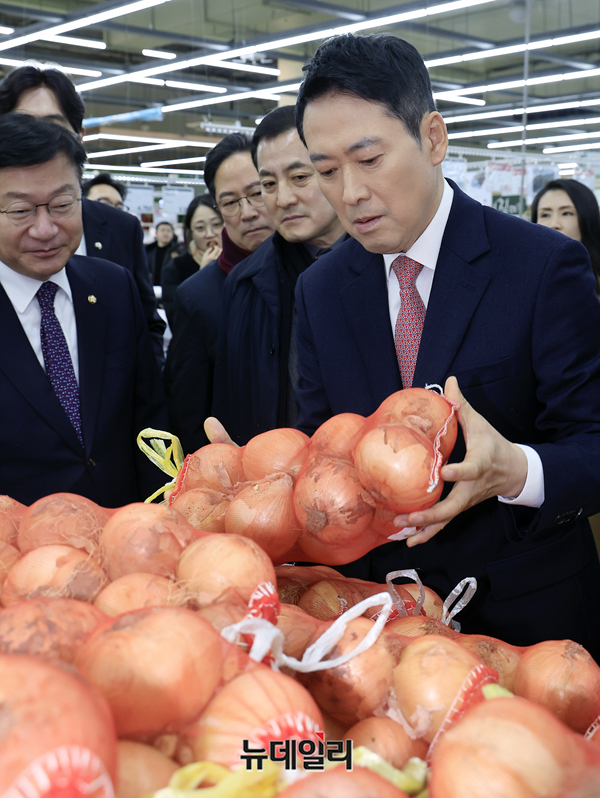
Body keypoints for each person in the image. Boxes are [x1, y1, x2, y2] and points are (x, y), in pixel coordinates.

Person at [292, 33, 600, 658]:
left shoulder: (541, 266)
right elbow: (323, 444)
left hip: (528, 624)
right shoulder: (321, 290)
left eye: (368, 159)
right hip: (384, 626)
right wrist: (272, 478)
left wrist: (516, 471)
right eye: (326, 171)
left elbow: (593, 441)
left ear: (433, 138)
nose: (349, 193)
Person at [0, 113, 169, 507]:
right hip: (20, 537)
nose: (45, 229)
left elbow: (148, 414)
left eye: (62, 205)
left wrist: (162, 512)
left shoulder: (114, 287)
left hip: (125, 525)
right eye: (21, 211)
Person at [0, 65, 167, 367]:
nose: (45, 230)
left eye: (52, 127)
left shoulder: (116, 267)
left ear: (79, 136)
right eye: (21, 211)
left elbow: (143, 332)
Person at [211, 105, 346, 445]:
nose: (283, 199)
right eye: (268, 185)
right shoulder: (244, 283)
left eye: (300, 177)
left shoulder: (386, 262)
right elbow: (230, 399)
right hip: (272, 466)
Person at [163, 133, 274, 454]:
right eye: (230, 202)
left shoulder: (314, 275)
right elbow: (189, 411)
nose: (248, 212)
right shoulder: (197, 296)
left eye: (257, 193)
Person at [160, 194, 224, 324]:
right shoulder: (175, 268)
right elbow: (178, 322)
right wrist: (203, 277)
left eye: (217, 224)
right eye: (200, 228)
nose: (209, 234)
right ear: (191, 232)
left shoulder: (242, 262)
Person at [531, 178, 600, 294]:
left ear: (588, 218)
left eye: (566, 213)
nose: (554, 224)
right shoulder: (526, 277)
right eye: (545, 215)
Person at [145, 221, 184, 287]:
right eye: (162, 230)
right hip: (151, 287)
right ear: (156, 233)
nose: (165, 233)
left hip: (170, 288)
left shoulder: (179, 250)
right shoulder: (148, 250)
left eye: (168, 231)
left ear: (172, 234)